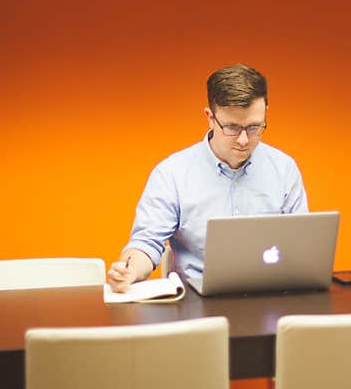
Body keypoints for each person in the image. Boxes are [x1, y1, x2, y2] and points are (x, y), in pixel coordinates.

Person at [107, 63, 308, 292]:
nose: (243, 140)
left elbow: (300, 245)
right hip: (195, 302)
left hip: (270, 295)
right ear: (210, 117)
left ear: (265, 115)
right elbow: (146, 243)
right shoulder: (172, 173)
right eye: (232, 127)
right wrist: (130, 270)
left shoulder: (284, 169)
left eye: (254, 127)